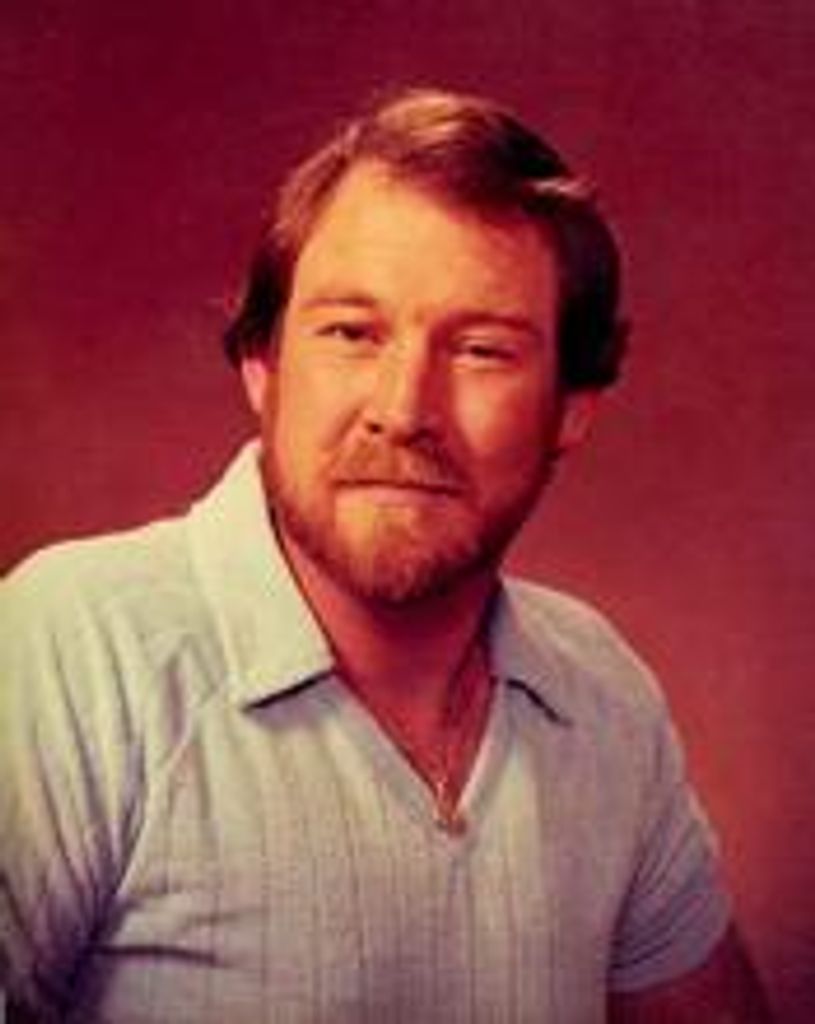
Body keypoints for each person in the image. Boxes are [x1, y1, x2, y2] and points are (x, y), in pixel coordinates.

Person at [0, 87, 771, 1023]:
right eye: (351, 333)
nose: (404, 410)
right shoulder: (70, 653)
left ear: (571, 409)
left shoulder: (603, 693)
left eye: (481, 350)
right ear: (261, 367)